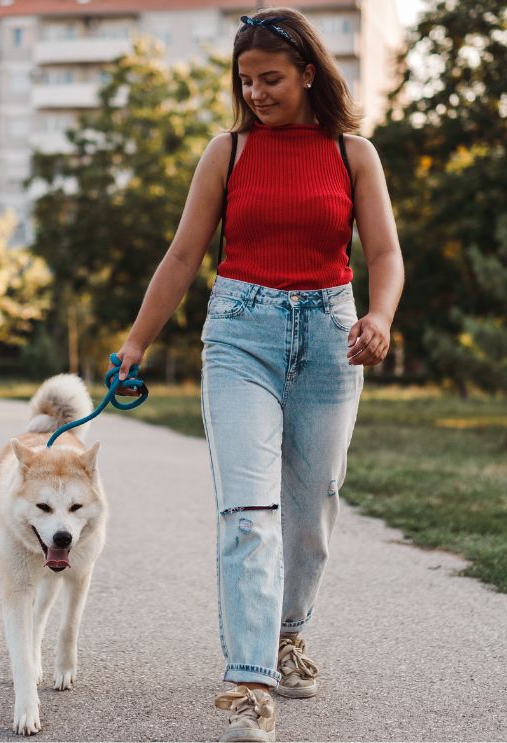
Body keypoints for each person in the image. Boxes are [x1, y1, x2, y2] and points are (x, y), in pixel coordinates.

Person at [111, 7, 404, 741]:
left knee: (312, 511)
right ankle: (249, 682)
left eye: (269, 78)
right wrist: (136, 343)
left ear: (309, 72)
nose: (255, 94)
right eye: (245, 81)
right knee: (249, 511)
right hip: (239, 334)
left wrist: (380, 318)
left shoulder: (352, 154)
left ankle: (287, 634)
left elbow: (385, 257)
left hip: (331, 337)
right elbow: (183, 256)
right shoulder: (228, 152)